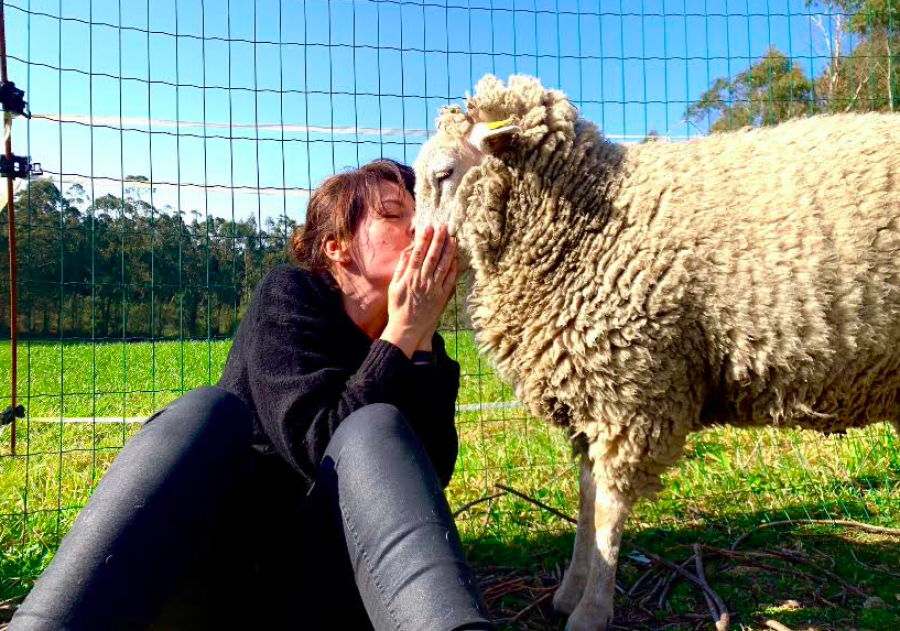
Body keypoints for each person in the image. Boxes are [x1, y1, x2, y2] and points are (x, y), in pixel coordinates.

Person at [10, 160, 495, 631]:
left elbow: (430, 472)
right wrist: (404, 330)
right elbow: (317, 443)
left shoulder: (415, 341)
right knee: (207, 411)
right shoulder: (290, 297)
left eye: (423, 210)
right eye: (395, 214)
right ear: (337, 247)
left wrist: (420, 338)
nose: (422, 226)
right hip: (220, 579)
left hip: (315, 592)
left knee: (377, 429)